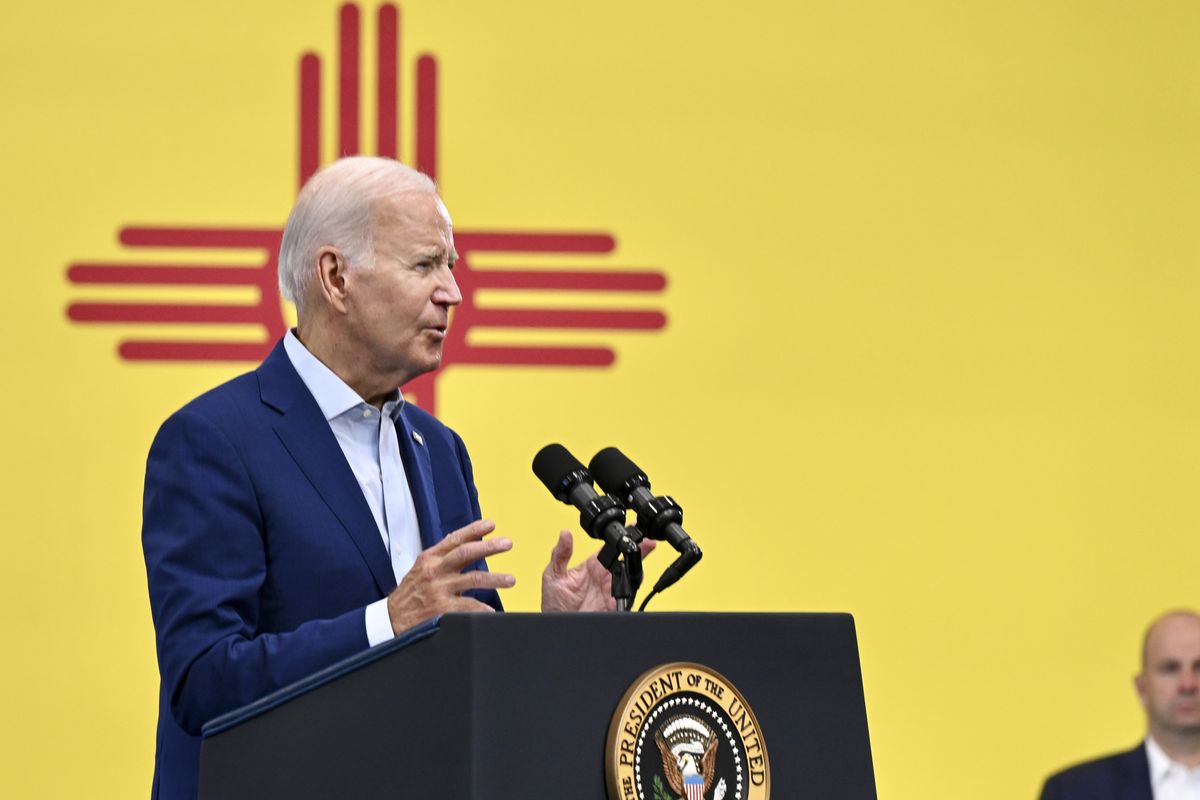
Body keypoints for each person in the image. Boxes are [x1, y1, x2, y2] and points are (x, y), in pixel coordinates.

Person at [141, 157, 644, 800]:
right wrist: (387, 621)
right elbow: (203, 681)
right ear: (336, 278)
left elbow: (467, 680)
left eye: (452, 268)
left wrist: (550, 640)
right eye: (425, 265)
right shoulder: (215, 440)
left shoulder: (440, 450)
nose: (453, 294)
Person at [1039, 610, 1200, 800]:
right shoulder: (1072, 791)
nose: (1188, 684)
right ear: (1142, 688)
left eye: (1199, 667)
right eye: (1169, 668)